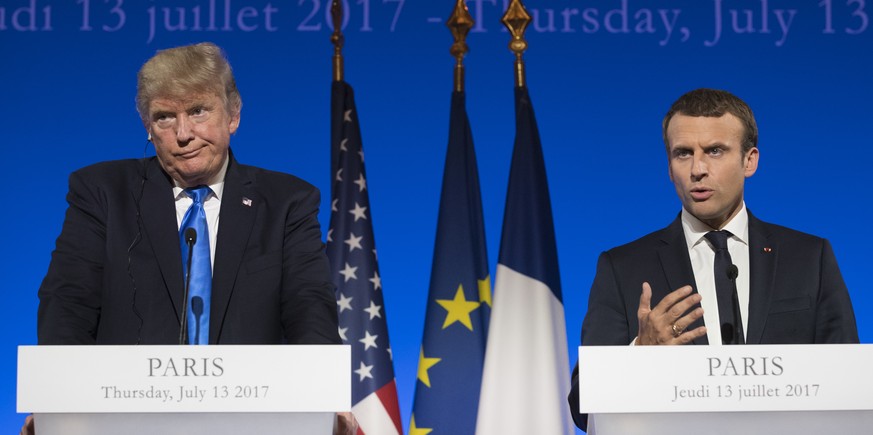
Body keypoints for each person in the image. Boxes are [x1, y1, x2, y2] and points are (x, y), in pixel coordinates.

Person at [25, 42, 355, 434]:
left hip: (252, 420)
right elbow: (68, 304)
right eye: (165, 117)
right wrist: (55, 401)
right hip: (124, 421)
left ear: (233, 114)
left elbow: (308, 308)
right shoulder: (102, 193)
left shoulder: (286, 203)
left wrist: (324, 396)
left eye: (198, 111)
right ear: (147, 128)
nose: (183, 134)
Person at [568, 88, 858, 431]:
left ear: (749, 160)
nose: (697, 169)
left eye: (715, 151)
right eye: (683, 153)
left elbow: (849, 388)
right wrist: (639, 353)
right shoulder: (623, 267)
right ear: (669, 165)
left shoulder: (809, 258)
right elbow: (581, 406)